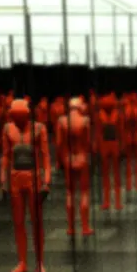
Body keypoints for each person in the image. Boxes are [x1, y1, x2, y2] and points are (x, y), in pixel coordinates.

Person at [2, 98, 51, 272]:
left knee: (37, 222)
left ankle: (39, 262)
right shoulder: (8, 129)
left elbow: (45, 155)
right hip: (16, 178)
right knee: (18, 222)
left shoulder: (38, 129)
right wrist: (3, 179)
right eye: (14, 117)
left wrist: (46, 180)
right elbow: (5, 156)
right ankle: (22, 261)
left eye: (19, 117)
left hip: (33, 178)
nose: (16, 120)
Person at [56, 97, 94, 236]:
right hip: (82, 157)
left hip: (68, 159)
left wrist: (60, 160)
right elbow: (88, 142)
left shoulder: (62, 121)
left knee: (70, 193)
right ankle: (85, 227)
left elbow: (59, 144)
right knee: (84, 192)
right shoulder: (85, 120)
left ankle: (71, 228)